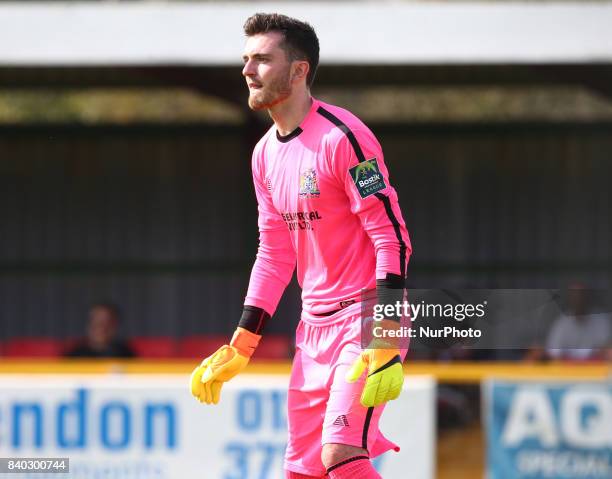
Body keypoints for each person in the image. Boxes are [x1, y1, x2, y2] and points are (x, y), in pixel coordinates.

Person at [190, 13, 411, 479]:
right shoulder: (264, 153)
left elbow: (391, 235)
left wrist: (387, 332)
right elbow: (274, 254)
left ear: (299, 70)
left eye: (263, 60)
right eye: (246, 60)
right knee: (302, 471)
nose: (249, 70)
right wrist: (242, 342)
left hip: (366, 320)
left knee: (341, 455)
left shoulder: (344, 137)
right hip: (313, 331)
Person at [65, 302, 135, 358]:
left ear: (115, 326)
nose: (100, 327)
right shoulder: (74, 356)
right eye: (96, 321)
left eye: (107, 322)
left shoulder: (125, 355)